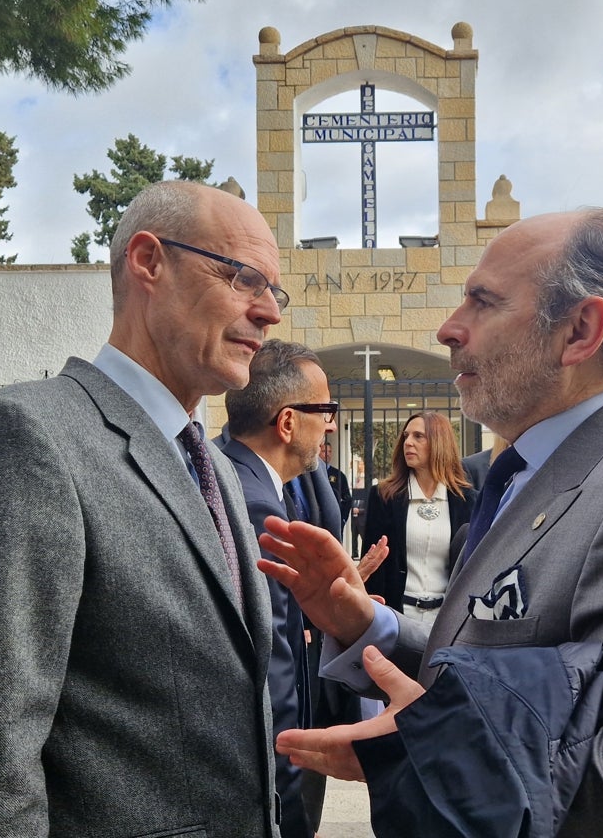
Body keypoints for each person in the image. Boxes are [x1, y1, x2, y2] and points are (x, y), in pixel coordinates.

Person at [258, 209, 603, 836]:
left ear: (580, 330)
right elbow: (502, 671)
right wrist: (370, 626)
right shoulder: (534, 470)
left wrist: (442, 744)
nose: (450, 329)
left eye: (482, 302)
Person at [0, 180, 287, 837]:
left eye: (275, 293)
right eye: (245, 279)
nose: (269, 313)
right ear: (148, 261)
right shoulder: (20, 438)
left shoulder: (214, 465)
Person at [220, 338, 338, 838]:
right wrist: (287, 803)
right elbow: (274, 667)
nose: (330, 422)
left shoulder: (239, 480)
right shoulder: (256, 505)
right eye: (325, 409)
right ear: (288, 422)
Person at [361, 412, 473, 622]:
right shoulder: (384, 496)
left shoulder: (467, 500)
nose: (408, 443)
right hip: (396, 617)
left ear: (440, 443)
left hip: (448, 620)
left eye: (418, 436)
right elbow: (373, 565)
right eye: (406, 436)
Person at [320, 440, 352, 527]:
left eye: (330, 451)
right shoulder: (311, 474)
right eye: (324, 451)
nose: (327, 454)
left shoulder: (338, 475)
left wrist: (343, 519)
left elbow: (348, 499)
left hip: (334, 522)